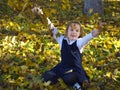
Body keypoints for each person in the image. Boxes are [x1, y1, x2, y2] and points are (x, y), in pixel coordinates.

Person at [32, 7, 104, 90]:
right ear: (67, 32)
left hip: (74, 70)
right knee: (47, 76)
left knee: (68, 78)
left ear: (79, 33)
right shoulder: (62, 40)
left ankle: (76, 84)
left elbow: (90, 35)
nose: (74, 32)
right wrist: (41, 14)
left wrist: (99, 29)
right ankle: (60, 81)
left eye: (76, 31)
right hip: (62, 67)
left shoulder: (79, 42)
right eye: (71, 30)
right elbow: (52, 28)